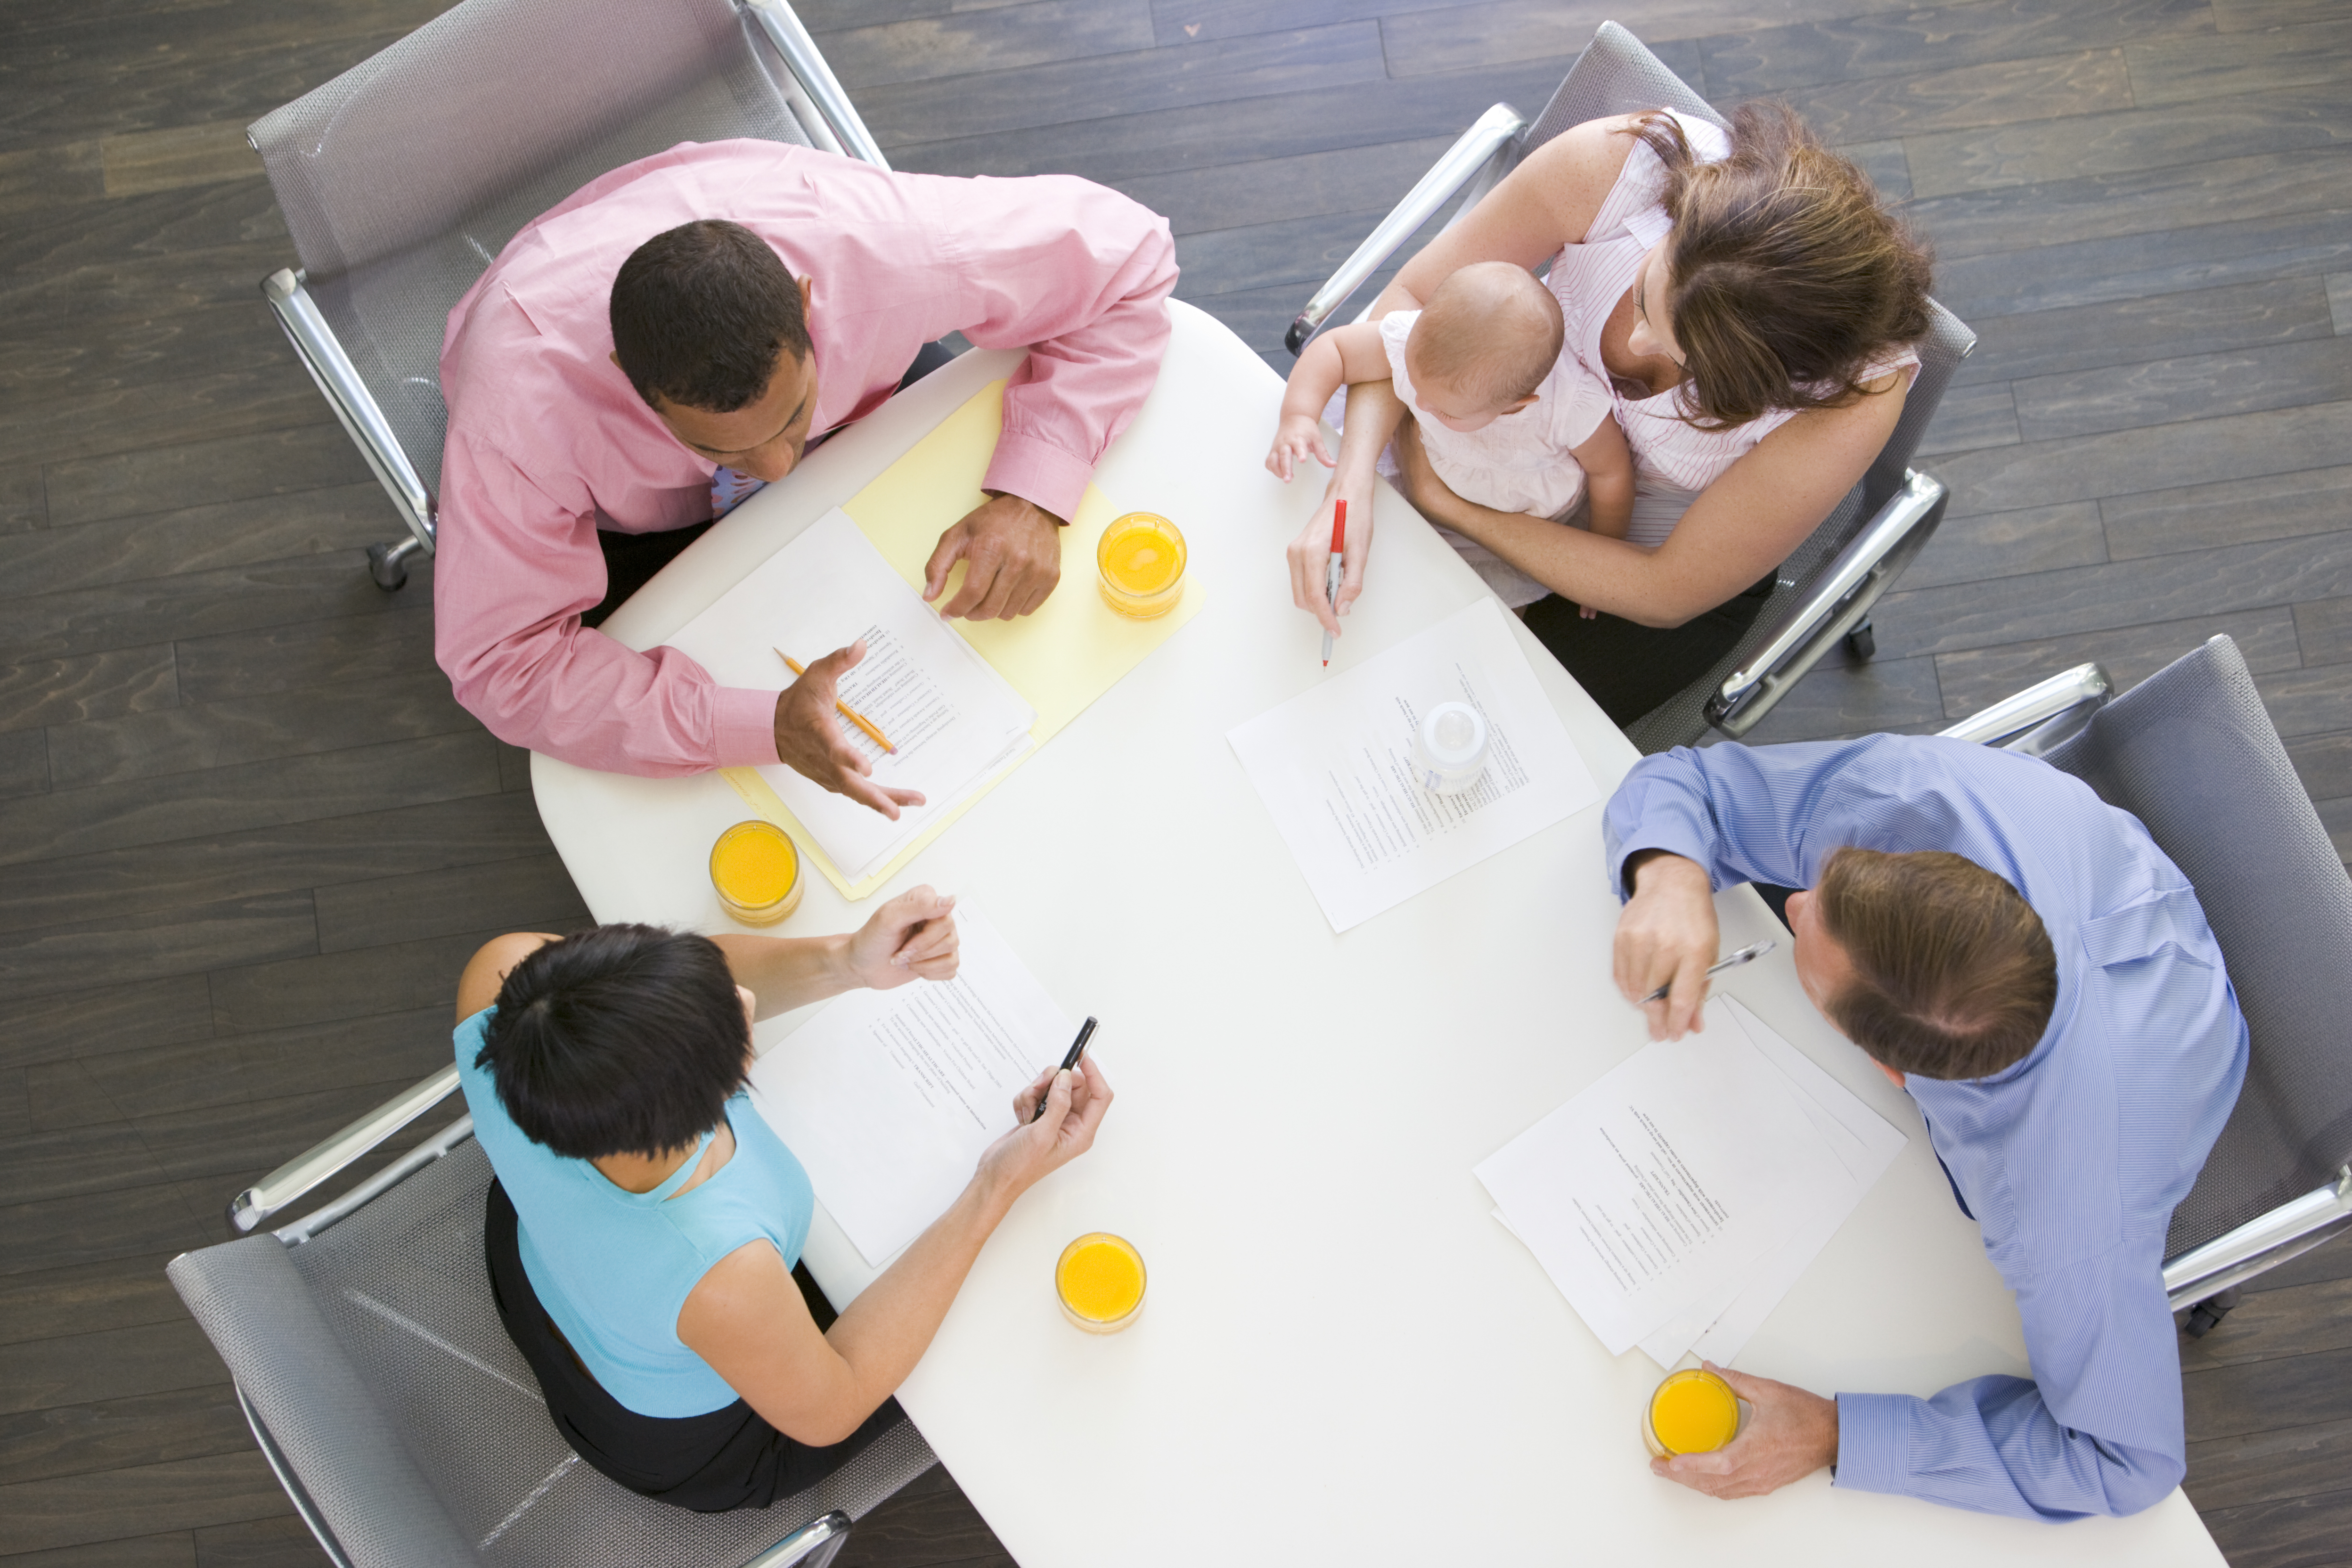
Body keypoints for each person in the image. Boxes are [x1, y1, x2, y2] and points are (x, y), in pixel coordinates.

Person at [1601, 734, 2246, 1520]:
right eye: (1829, 882)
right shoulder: (1912, 797)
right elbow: (1691, 782)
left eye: (1803, 933)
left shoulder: (2063, 1214)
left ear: (1892, 1073)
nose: (1793, 901)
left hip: (2171, 1058)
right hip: (2111, 894)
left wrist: (1835, 1432)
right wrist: (1670, 872)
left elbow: (2125, 1461)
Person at [435, 139, 1177, 806]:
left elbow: (1132, 256)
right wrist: (753, 725)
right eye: (725, 450)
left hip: (861, 414)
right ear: (626, 376)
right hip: (635, 516)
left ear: (805, 302)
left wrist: (1031, 494)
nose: (781, 470)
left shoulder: (891, 248)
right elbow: (502, 663)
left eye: (792, 418)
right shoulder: (515, 420)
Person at [451, 889, 1113, 1511]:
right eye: (727, 1026)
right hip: (673, 1435)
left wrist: (846, 960)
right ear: (694, 1109)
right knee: (989, 1305)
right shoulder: (720, 1272)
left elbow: (649, 992)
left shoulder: (505, 983)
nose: (743, 995)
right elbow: (836, 1401)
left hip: (544, 1270)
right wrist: (996, 1184)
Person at [1287, 105, 1932, 726]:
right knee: (1299, 592)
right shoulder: (1624, 167)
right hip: (1477, 414)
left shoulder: (1852, 396)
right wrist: (1353, 485)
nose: (1637, 347)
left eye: (1688, 362)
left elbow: (1667, 591)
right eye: (1646, 296)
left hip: (1637, 565)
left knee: (1450, 718)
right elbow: (1412, 308)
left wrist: (1452, 507)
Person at [1266, 261, 1634, 609]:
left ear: (1515, 406)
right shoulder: (1421, 339)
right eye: (1413, 378)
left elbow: (1612, 475)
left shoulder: (1570, 406)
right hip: (1433, 465)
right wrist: (1298, 415)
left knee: (1496, 605)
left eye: (1445, 411)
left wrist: (1600, 556)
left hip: (1517, 526)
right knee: (1365, 554)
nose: (1421, 404)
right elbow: (1337, 350)